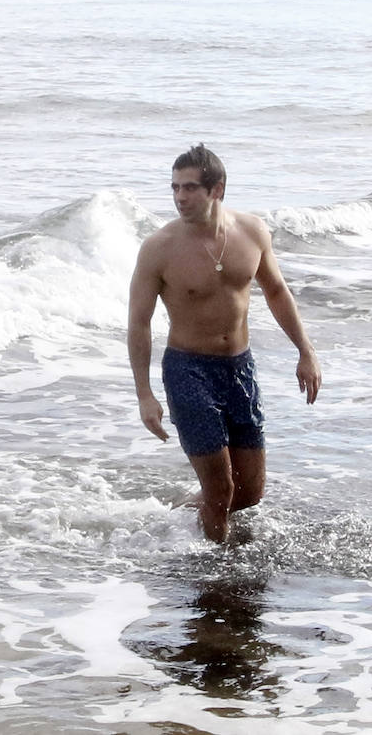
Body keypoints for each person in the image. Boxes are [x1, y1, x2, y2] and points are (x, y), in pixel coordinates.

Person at [128, 145, 321, 543]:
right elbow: (139, 323)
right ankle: (220, 574)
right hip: (188, 371)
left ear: (218, 189)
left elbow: (277, 292)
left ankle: (178, 516)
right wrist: (145, 394)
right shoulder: (159, 248)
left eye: (190, 188)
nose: (180, 197)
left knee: (249, 493)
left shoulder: (251, 232)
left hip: (239, 368)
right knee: (220, 492)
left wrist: (306, 351)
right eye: (175, 188)